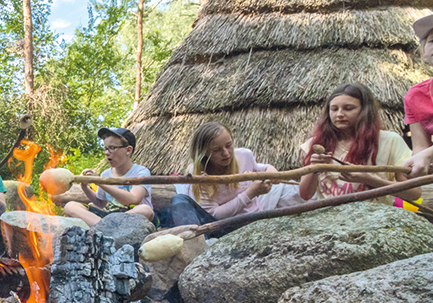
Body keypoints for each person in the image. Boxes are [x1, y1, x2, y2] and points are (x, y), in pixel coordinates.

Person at [163, 122, 301, 228]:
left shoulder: (244, 156)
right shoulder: (199, 175)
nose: (226, 153)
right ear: (204, 153)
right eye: (217, 150)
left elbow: (262, 168)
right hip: (221, 226)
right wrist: (251, 193)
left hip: (252, 221)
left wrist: (272, 172)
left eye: (228, 145)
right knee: (179, 200)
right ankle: (194, 243)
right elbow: (213, 214)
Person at [299, 83, 421, 204]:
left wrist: (369, 179)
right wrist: (314, 169)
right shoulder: (317, 143)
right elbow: (305, 195)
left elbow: (414, 193)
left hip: (374, 220)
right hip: (330, 220)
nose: (339, 114)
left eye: (348, 108)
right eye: (334, 109)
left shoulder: (390, 141)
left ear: (365, 111)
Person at [62, 127, 154, 227]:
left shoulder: (141, 171)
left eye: (112, 148)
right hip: (110, 218)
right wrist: (85, 187)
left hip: (131, 217)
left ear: (128, 150)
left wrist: (100, 182)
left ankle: (103, 226)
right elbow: (101, 203)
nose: (106, 152)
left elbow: (134, 199)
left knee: (145, 210)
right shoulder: (105, 174)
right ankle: (105, 226)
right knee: (70, 206)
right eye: (106, 148)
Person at [403, 14, 433, 177]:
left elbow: (427, 153)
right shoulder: (415, 96)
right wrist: (415, 163)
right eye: (432, 41)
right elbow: (421, 147)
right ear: (424, 52)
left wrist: (428, 154)